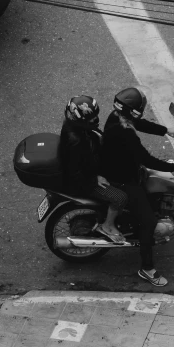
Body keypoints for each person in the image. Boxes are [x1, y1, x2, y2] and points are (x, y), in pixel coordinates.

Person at [101, 87, 174, 288]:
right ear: (133, 110)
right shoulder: (125, 133)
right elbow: (146, 158)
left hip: (122, 168)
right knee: (148, 222)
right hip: (124, 179)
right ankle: (147, 269)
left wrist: (166, 131)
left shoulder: (116, 116)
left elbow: (140, 124)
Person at [59, 95, 127, 243]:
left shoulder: (77, 129)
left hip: (92, 169)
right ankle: (108, 226)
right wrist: (95, 178)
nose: (96, 121)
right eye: (92, 119)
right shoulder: (75, 142)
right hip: (85, 182)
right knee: (120, 197)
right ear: (80, 121)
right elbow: (75, 172)